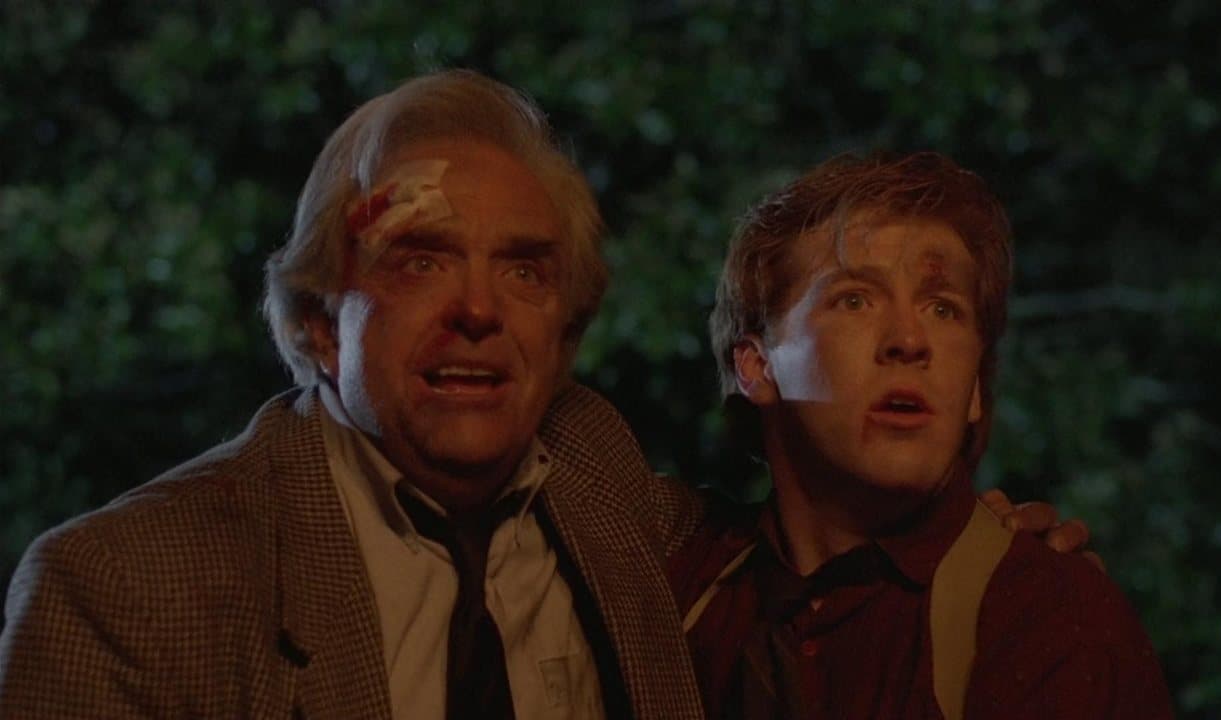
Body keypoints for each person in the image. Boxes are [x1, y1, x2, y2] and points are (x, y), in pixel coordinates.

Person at [0, 71, 1088, 719]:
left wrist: (977, 544)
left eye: (523, 270)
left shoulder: (612, 500)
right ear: (321, 323)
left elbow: (804, 539)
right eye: (421, 260)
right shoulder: (122, 591)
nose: (479, 309)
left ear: (563, 334)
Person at [672, 151, 1174, 719]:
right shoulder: (673, 583)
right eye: (855, 299)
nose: (910, 341)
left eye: (943, 309)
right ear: (757, 366)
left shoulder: (1048, 622)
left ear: (974, 387)